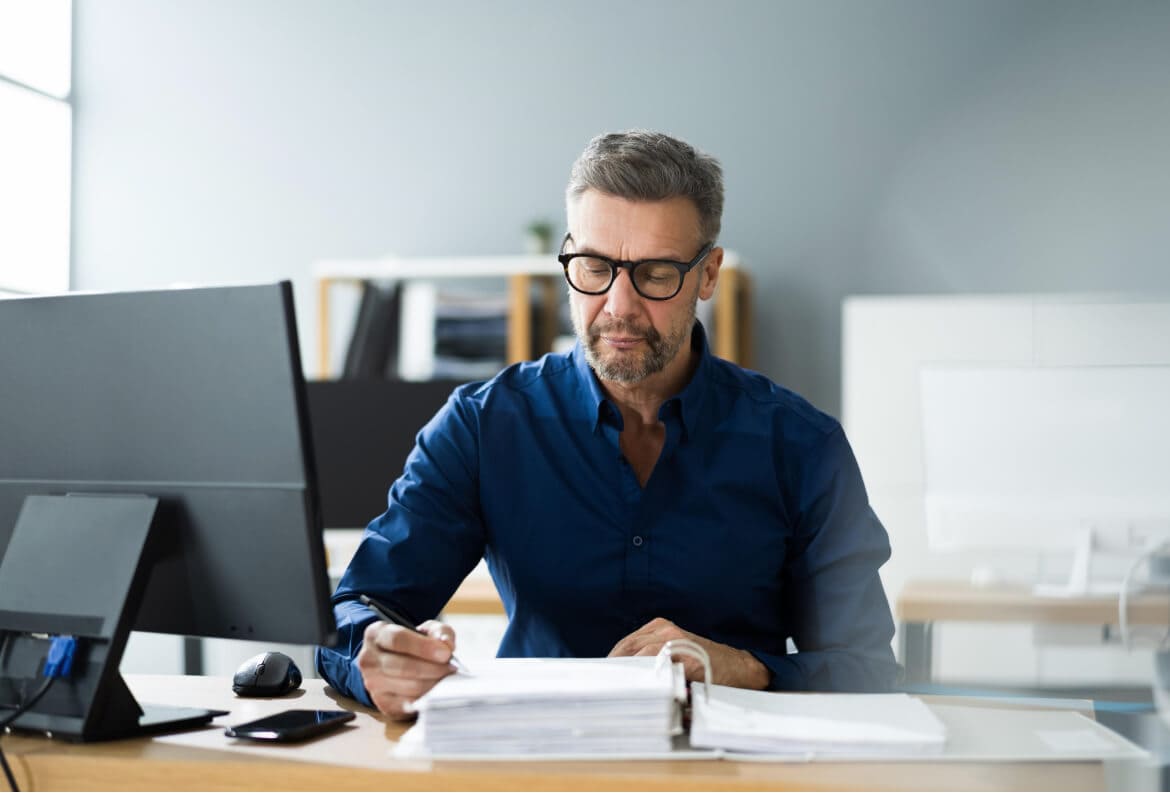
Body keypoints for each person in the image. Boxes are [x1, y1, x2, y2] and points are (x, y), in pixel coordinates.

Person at [316, 130, 899, 719]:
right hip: (532, 763)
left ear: (708, 275)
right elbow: (356, 608)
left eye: (655, 273)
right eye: (594, 267)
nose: (618, 306)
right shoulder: (482, 426)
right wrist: (375, 656)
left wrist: (740, 668)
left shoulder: (802, 446)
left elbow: (868, 669)